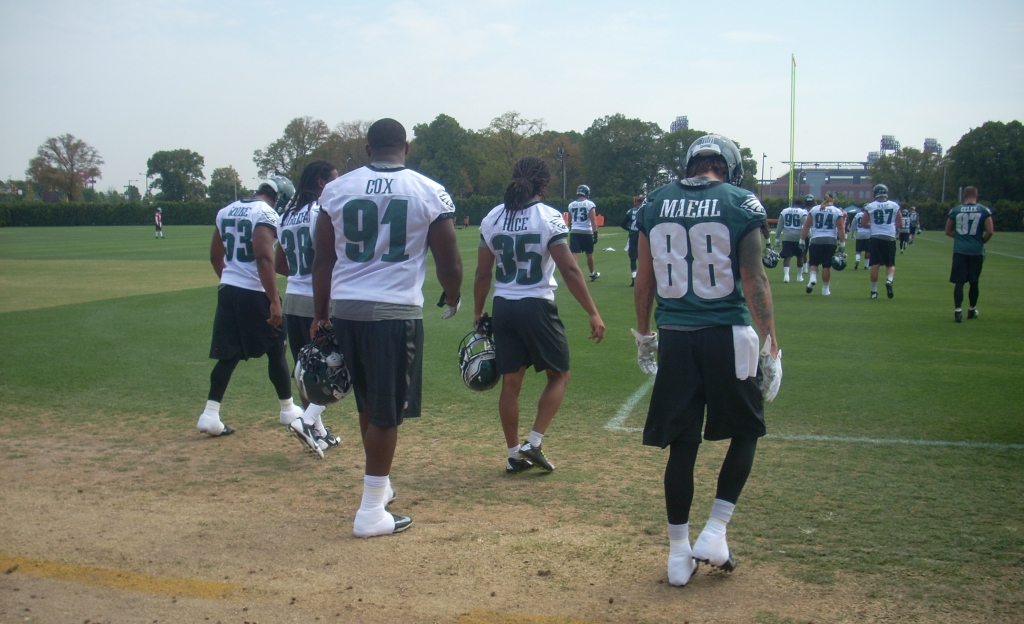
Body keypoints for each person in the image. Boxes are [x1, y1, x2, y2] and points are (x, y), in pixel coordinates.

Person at [633, 134, 781, 587]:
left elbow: (645, 280)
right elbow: (752, 276)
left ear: (690, 163)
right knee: (746, 430)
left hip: (676, 336)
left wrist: (644, 335)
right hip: (729, 335)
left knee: (683, 443)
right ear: (728, 168)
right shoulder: (741, 202)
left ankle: (679, 555)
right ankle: (715, 531)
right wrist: (772, 344)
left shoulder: (654, 203)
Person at [312, 118, 463, 537]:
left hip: (346, 309)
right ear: (407, 147)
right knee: (386, 411)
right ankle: (370, 511)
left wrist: (320, 314)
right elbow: (449, 261)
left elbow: (322, 260)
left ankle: (380, 487)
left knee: (367, 402)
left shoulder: (337, 189)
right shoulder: (427, 190)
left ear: (367, 149)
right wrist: (453, 296)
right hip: (394, 311)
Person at [474, 157, 605, 474]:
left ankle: (513, 454)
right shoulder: (548, 217)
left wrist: (478, 311)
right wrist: (593, 312)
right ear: (543, 184)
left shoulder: (492, 217)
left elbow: (482, 274)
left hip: (504, 303)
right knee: (559, 375)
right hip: (536, 305)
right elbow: (570, 269)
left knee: (511, 383)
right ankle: (533, 442)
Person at [196, 179, 304, 437]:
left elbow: (215, 255)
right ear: (279, 197)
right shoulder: (266, 213)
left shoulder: (226, 210)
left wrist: (231, 280)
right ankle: (287, 408)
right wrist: (274, 300)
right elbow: (264, 257)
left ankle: (210, 413)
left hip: (229, 288)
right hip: (255, 291)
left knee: (228, 354)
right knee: (277, 347)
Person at [274, 160, 342, 457]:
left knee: (307, 370)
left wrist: (301, 277)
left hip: (292, 298)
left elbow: (279, 264)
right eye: (333, 180)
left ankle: (318, 430)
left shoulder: (286, 216)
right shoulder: (321, 213)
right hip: (319, 299)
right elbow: (331, 258)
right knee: (338, 365)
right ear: (320, 183)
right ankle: (307, 419)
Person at [945, 186, 994, 322]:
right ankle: (971, 310)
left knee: (959, 282)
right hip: (975, 250)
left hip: (960, 250)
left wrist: (960, 238)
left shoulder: (955, 210)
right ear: (976, 195)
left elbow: (948, 231)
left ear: (964, 196)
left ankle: (958, 312)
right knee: (974, 281)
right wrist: (981, 241)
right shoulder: (983, 210)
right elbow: (990, 230)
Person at [799, 193, 846, 295]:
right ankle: (825, 289)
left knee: (814, 262)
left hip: (816, 239)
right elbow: (841, 229)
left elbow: (806, 226)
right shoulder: (837, 211)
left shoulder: (814, 209)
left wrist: (802, 240)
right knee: (826, 265)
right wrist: (842, 243)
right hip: (830, 240)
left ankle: (812, 278)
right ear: (832, 200)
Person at [861, 184, 902, 299]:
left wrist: (874, 225)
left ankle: (874, 292)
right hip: (889, 237)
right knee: (890, 264)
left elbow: (864, 224)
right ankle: (889, 280)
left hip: (875, 237)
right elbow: (899, 223)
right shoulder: (894, 205)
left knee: (875, 265)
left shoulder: (870, 206)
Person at [567, 184, 601, 282]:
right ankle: (592, 273)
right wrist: (595, 233)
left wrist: (571, 229)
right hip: (587, 231)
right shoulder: (590, 204)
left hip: (575, 231)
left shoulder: (571, 204)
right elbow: (593, 219)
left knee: (574, 253)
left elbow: (569, 220)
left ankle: (574, 275)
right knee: (589, 253)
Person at [775, 197, 808, 282]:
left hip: (787, 236)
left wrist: (777, 237)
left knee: (787, 257)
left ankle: (786, 276)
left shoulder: (784, 211)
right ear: (800, 205)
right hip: (799, 236)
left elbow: (779, 226)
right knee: (800, 256)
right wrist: (808, 237)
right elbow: (806, 226)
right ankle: (799, 276)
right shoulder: (802, 212)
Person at [620, 195, 644, 286]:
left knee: (633, 258)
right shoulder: (646, 210)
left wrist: (629, 229)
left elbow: (623, 224)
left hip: (633, 235)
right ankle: (645, 278)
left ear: (637, 202)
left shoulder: (631, 211)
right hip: (643, 236)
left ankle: (634, 277)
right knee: (645, 258)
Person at [853, 204, 872, 269]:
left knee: (858, 250)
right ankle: (866, 265)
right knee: (868, 251)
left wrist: (852, 233)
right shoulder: (870, 214)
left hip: (859, 234)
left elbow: (853, 224)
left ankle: (857, 259)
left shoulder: (857, 215)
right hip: (868, 234)